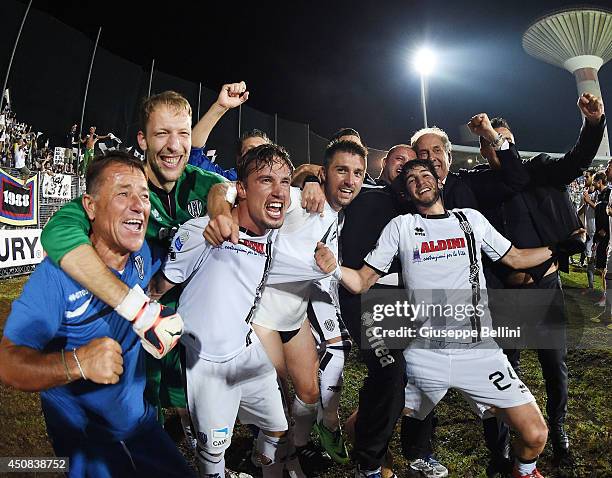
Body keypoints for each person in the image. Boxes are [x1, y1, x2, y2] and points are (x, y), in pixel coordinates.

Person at [315, 159, 579, 478]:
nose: (419, 181)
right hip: (425, 354)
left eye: (425, 175)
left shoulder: (470, 221)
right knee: (365, 421)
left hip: (480, 352)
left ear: (439, 182)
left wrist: (558, 248)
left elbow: (516, 258)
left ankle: (523, 472)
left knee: (536, 435)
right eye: (411, 179)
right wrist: (334, 267)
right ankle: (372, 467)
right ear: (407, 191)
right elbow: (361, 281)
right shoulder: (400, 228)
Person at [40, 90, 228, 446]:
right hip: (130, 337)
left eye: (183, 134)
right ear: (142, 139)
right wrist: (131, 304)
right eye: (162, 134)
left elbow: (229, 188)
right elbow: (58, 231)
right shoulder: (120, 186)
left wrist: (220, 204)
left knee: (195, 421)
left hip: (189, 334)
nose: (174, 146)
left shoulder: (201, 184)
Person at [0, 152, 192, 478]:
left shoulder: (144, 254)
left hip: (140, 424)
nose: (138, 205)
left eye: (144, 196)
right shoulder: (56, 278)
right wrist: (77, 362)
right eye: (123, 193)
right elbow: (8, 363)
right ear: (89, 206)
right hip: (89, 440)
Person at [205, 139, 367, 474]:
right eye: (341, 171)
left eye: (358, 173)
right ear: (324, 174)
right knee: (274, 404)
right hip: (262, 318)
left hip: (295, 316)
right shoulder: (297, 200)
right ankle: (272, 461)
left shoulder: (336, 218)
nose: (350, 180)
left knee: (309, 394)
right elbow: (224, 188)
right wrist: (221, 213)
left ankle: (298, 448)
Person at [150, 143, 303, 478]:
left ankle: (261, 469)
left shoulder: (274, 233)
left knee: (278, 429)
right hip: (207, 364)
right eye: (266, 180)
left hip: (247, 352)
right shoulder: (203, 232)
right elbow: (159, 287)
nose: (278, 191)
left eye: (284, 182)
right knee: (214, 451)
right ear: (243, 189)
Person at [478, 94, 605, 467]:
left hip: (546, 287)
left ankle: (559, 427)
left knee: (554, 364)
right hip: (507, 294)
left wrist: (593, 124)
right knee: (506, 371)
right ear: (485, 150)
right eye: (494, 141)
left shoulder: (540, 169)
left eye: (507, 140)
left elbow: (578, 159)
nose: (504, 146)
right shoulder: (482, 187)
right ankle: (502, 439)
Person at [188, 81, 250, 179]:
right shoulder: (230, 181)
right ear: (239, 160)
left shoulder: (281, 186)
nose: (258, 155)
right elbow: (192, 153)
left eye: (263, 151)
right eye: (250, 150)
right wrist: (220, 107)